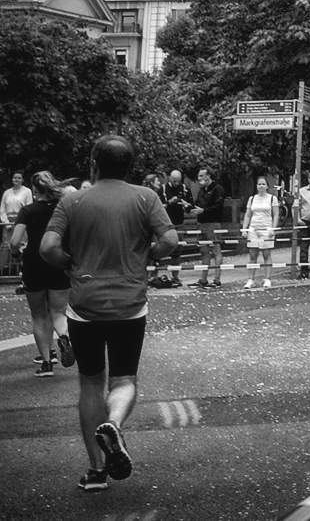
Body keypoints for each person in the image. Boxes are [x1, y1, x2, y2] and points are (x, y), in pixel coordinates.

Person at [40, 135, 178, 492]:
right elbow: (170, 241)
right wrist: (145, 257)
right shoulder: (145, 197)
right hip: (130, 305)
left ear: (93, 164)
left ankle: (97, 472)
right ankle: (114, 424)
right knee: (124, 380)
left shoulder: (72, 200)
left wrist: (71, 264)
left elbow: (48, 247)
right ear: (130, 165)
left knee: (89, 382)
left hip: (84, 305)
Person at [10, 171, 74, 377]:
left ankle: (47, 363)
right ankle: (63, 337)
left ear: (34, 190)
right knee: (58, 312)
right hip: (57, 261)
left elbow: (14, 241)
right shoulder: (62, 208)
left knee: (39, 315)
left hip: (34, 264)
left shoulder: (28, 211)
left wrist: (16, 253)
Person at [241, 176, 280, 289]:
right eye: (259, 184)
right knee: (252, 255)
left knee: (266, 254)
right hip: (253, 228)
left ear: (267, 186)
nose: (261, 186)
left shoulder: (272, 198)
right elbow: (248, 215)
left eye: (263, 184)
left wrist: (273, 228)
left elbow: (276, 214)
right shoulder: (252, 199)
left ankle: (267, 278)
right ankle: (250, 279)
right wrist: (245, 228)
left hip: (266, 229)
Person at [190, 167, 225, 288]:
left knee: (216, 250)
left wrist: (203, 210)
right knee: (203, 251)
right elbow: (198, 204)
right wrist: (191, 207)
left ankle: (216, 279)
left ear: (208, 176)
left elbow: (218, 206)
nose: (199, 178)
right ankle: (203, 279)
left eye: (201, 176)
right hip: (201, 223)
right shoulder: (201, 191)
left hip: (213, 222)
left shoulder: (218, 189)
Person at [160, 170, 191, 287]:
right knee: (159, 249)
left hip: (179, 222)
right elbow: (159, 205)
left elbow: (190, 205)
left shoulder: (184, 188)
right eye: (174, 181)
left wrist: (186, 204)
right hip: (165, 223)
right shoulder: (163, 189)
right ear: (169, 179)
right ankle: (154, 275)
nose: (176, 183)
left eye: (178, 181)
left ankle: (175, 276)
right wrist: (169, 202)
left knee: (177, 251)